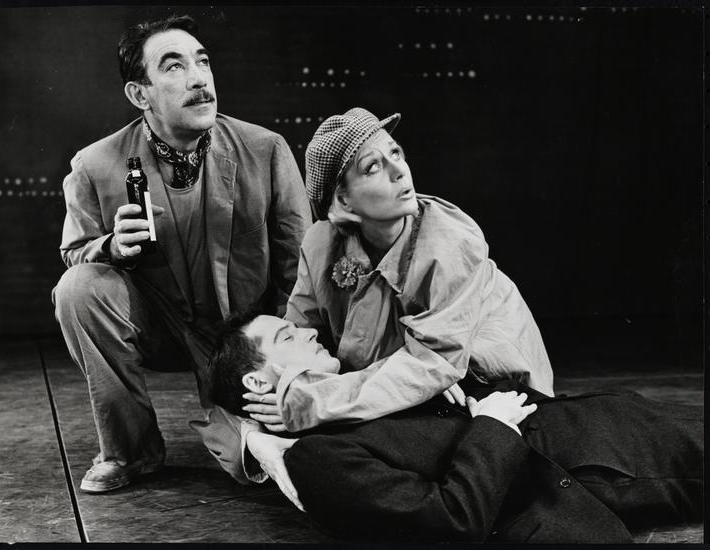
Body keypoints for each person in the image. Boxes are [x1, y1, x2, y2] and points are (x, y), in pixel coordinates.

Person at [51, 14, 310, 493]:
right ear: (140, 94)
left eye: (202, 62)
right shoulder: (96, 165)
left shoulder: (265, 150)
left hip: (243, 335)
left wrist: (284, 358)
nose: (198, 79)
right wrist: (111, 246)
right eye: (173, 66)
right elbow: (74, 252)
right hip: (160, 327)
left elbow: (301, 265)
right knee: (78, 289)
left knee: (257, 462)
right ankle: (130, 452)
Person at [202, 312, 703, 543]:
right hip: (606, 463)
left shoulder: (359, 392)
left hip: (607, 424)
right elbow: (450, 520)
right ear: (258, 381)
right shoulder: (315, 458)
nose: (310, 330)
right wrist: (491, 427)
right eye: (288, 337)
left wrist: (460, 398)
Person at [242, 107, 553, 434]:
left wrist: (317, 401)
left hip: (489, 383)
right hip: (393, 381)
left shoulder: (451, 245)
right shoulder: (321, 243)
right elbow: (301, 333)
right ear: (344, 202)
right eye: (373, 167)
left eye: (395, 153)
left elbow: (434, 363)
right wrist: (277, 401)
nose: (400, 171)